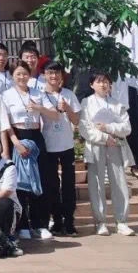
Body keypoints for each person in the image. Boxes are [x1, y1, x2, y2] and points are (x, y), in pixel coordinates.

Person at [0, 60, 59, 240]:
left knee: (39, 180)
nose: (22, 77)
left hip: (36, 137)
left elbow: (55, 114)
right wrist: (16, 143)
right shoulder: (6, 95)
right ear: (12, 76)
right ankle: (22, 225)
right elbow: (5, 123)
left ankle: (40, 224)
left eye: (25, 73)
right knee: (20, 183)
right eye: (18, 74)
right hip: (17, 136)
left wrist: (38, 107)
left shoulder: (38, 93)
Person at [79, 72, 135, 236]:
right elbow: (84, 128)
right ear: (92, 85)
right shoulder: (86, 103)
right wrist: (104, 137)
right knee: (96, 183)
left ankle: (121, 221)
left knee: (119, 182)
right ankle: (100, 221)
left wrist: (109, 128)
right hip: (96, 145)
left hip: (115, 144)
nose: (103, 85)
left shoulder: (117, 104)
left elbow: (127, 128)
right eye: (99, 82)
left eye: (106, 82)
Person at [40, 61, 81, 236]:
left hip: (66, 146)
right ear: (44, 75)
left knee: (68, 185)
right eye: (50, 73)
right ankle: (56, 221)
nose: (54, 76)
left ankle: (69, 221)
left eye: (57, 73)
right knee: (52, 185)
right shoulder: (39, 94)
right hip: (48, 146)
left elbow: (76, 121)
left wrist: (68, 109)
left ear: (62, 75)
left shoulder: (69, 94)